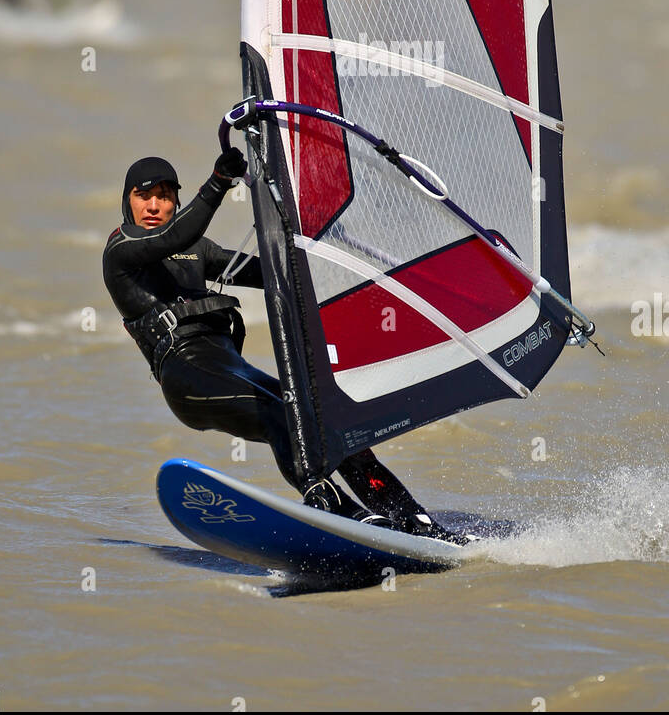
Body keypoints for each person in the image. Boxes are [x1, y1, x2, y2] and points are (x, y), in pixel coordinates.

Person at [102, 149, 449, 535]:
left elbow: (273, 274)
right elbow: (173, 236)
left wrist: (307, 243)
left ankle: (413, 518)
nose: (154, 204)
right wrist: (219, 182)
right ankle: (337, 510)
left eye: (165, 196)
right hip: (188, 376)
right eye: (143, 195)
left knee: (320, 419)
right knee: (279, 416)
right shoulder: (121, 252)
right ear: (127, 201)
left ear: (175, 203)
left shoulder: (197, 250)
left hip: (233, 368)